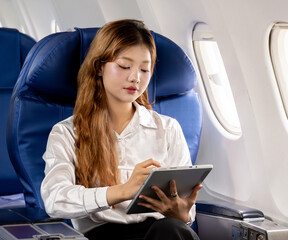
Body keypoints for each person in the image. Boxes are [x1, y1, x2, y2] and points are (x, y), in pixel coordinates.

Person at [40, 19, 201, 240]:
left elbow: (186, 212)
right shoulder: (68, 133)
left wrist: (182, 213)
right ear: (99, 67)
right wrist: (124, 190)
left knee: (173, 229)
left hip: (160, 233)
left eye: (145, 69)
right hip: (100, 235)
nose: (135, 77)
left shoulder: (168, 129)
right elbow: (55, 199)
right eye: (124, 66)